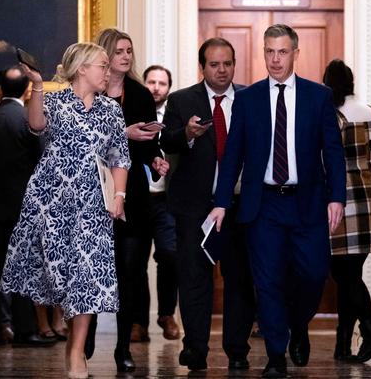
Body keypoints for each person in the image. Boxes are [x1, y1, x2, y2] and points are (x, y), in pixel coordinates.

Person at [209, 24, 346, 378]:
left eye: (282, 52)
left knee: (314, 274)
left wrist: (337, 198)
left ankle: (297, 325)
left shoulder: (318, 97)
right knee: (267, 281)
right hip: (263, 205)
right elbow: (233, 155)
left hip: (308, 203)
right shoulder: (249, 98)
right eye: (269, 51)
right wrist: (222, 202)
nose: (275, 59)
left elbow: (332, 152)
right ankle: (275, 355)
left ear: (295, 54)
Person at [0, 43, 131, 379]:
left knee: (88, 278)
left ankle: (76, 351)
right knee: (63, 278)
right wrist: (39, 86)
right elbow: (36, 126)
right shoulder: (55, 101)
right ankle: (68, 332)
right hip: (52, 203)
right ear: (82, 69)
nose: (108, 71)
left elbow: (120, 158)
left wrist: (119, 196)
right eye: (102, 65)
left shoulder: (111, 110)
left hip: (93, 207)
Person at [160, 38, 256, 371]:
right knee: (194, 279)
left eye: (227, 63)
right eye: (214, 64)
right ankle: (195, 349)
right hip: (193, 208)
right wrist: (186, 133)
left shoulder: (249, 98)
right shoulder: (182, 99)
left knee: (240, 280)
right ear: (202, 67)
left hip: (239, 206)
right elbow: (166, 140)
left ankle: (237, 349)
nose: (222, 70)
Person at [93, 28, 169, 373]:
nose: (127, 56)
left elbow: (149, 141)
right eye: (121, 50)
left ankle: (123, 347)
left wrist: (156, 158)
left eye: (130, 50)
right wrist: (124, 134)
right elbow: (82, 139)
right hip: (92, 190)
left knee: (130, 273)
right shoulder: (89, 90)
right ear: (107, 54)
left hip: (133, 194)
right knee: (92, 270)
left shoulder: (139, 93)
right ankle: (88, 333)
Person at [322, 59, 371, 362]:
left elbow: (325, 162)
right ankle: (343, 345)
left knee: (344, 274)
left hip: (342, 198)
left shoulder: (331, 115)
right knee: (349, 274)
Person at [0, 66, 51, 348]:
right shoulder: (30, 120)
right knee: (24, 270)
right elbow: (43, 162)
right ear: (25, 90)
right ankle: (26, 331)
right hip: (25, 208)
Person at [136, 64, 180, 341]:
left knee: (170, 254)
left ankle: (166, 314)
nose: (155, 87)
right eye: (151, 82)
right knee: (135, 261)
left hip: (166, 200)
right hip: (138, 198)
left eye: (161, 83)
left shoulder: (175, 116)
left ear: (169, 88)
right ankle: (138, 322)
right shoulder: (134, 114)